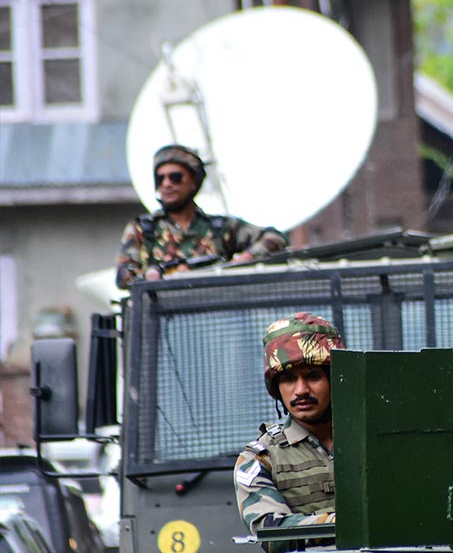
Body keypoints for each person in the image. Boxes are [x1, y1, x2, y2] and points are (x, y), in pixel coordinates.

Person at [234, 312, 343, 551]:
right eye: (289, 379)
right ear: (276, 387)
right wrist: (351, 523)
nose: (300, 390)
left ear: (335, 379)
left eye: (313, 376)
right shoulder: (260, 458)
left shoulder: (375, 442)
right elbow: (273, 534)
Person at [115, 144, 288, 288]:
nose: (166, 184)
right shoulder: (144, 229)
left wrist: (244, 259)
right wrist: (152, 275)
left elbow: (275, 238)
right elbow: (123, 276)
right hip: (161, 318)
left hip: (212, 314)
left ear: (193, 182)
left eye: (175, 177)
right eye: (160, 179)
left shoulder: (219, 228)